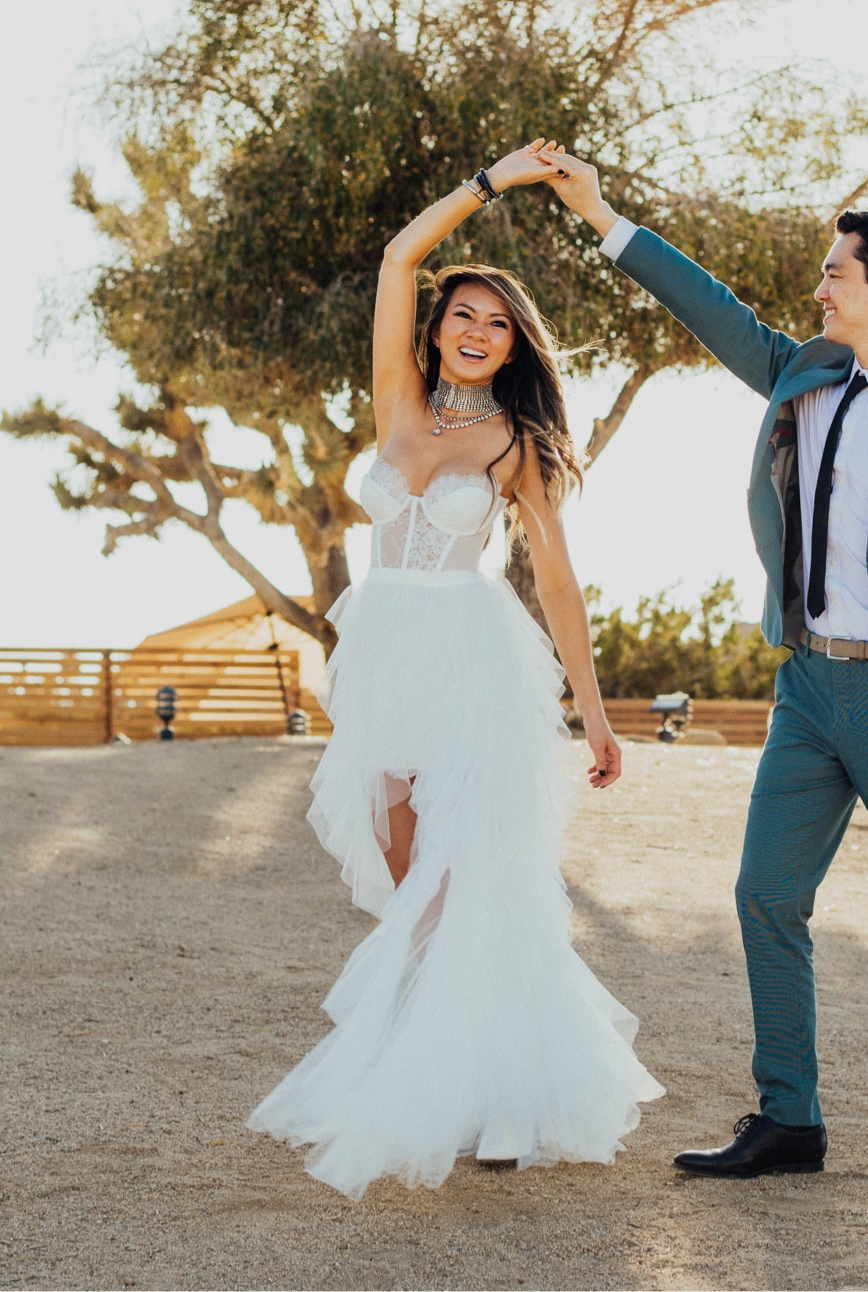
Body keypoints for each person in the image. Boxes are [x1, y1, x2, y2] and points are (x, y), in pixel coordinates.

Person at [540, 146, 868, 1200]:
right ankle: (789, 1117)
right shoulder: (804, 371)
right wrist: (603, 217)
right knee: (764, 894)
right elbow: (715, 311)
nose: (820, 288)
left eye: (835, 273)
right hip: (805, 688)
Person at [247, 140, 663, 1202]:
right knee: (409, 880)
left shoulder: (516, 443)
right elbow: (398, 257)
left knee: (467, 875)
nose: (477, 332)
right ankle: (468, 1070)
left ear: (514, 345)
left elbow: (556, 582)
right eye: (463, 315)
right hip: (384, 656)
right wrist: (490, 183)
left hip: (471, 662)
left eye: (498, 324)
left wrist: (595, 714)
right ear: (436, 330)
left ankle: (504, 1101)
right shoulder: (397, 400)